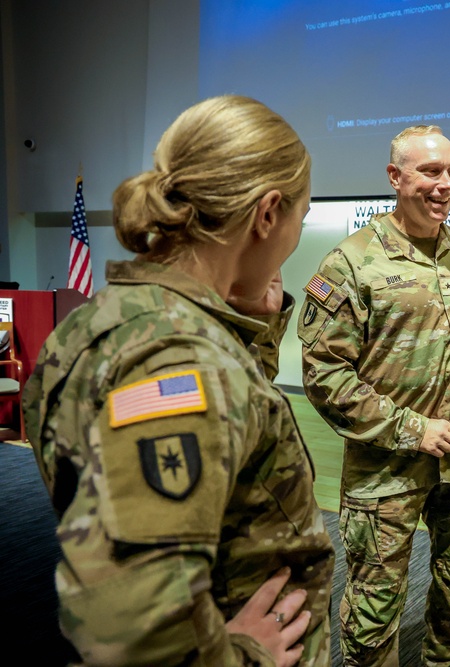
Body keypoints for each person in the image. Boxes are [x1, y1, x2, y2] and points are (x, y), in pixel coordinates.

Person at [23, 95, 334, 666]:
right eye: (300, 217)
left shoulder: (108, 321)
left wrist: (253, 328)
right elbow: (131, 629)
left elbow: (230, 454)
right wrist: (242, 655)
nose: (295, 236)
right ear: (267, 214)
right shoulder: (183, 361)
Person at [298, 125, 450, 666]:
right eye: (430, 172)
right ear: (396, 178)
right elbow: (325, 372)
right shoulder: (352, 263)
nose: (445, 185)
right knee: (374, 606)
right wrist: (413, 429)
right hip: (384, 470)